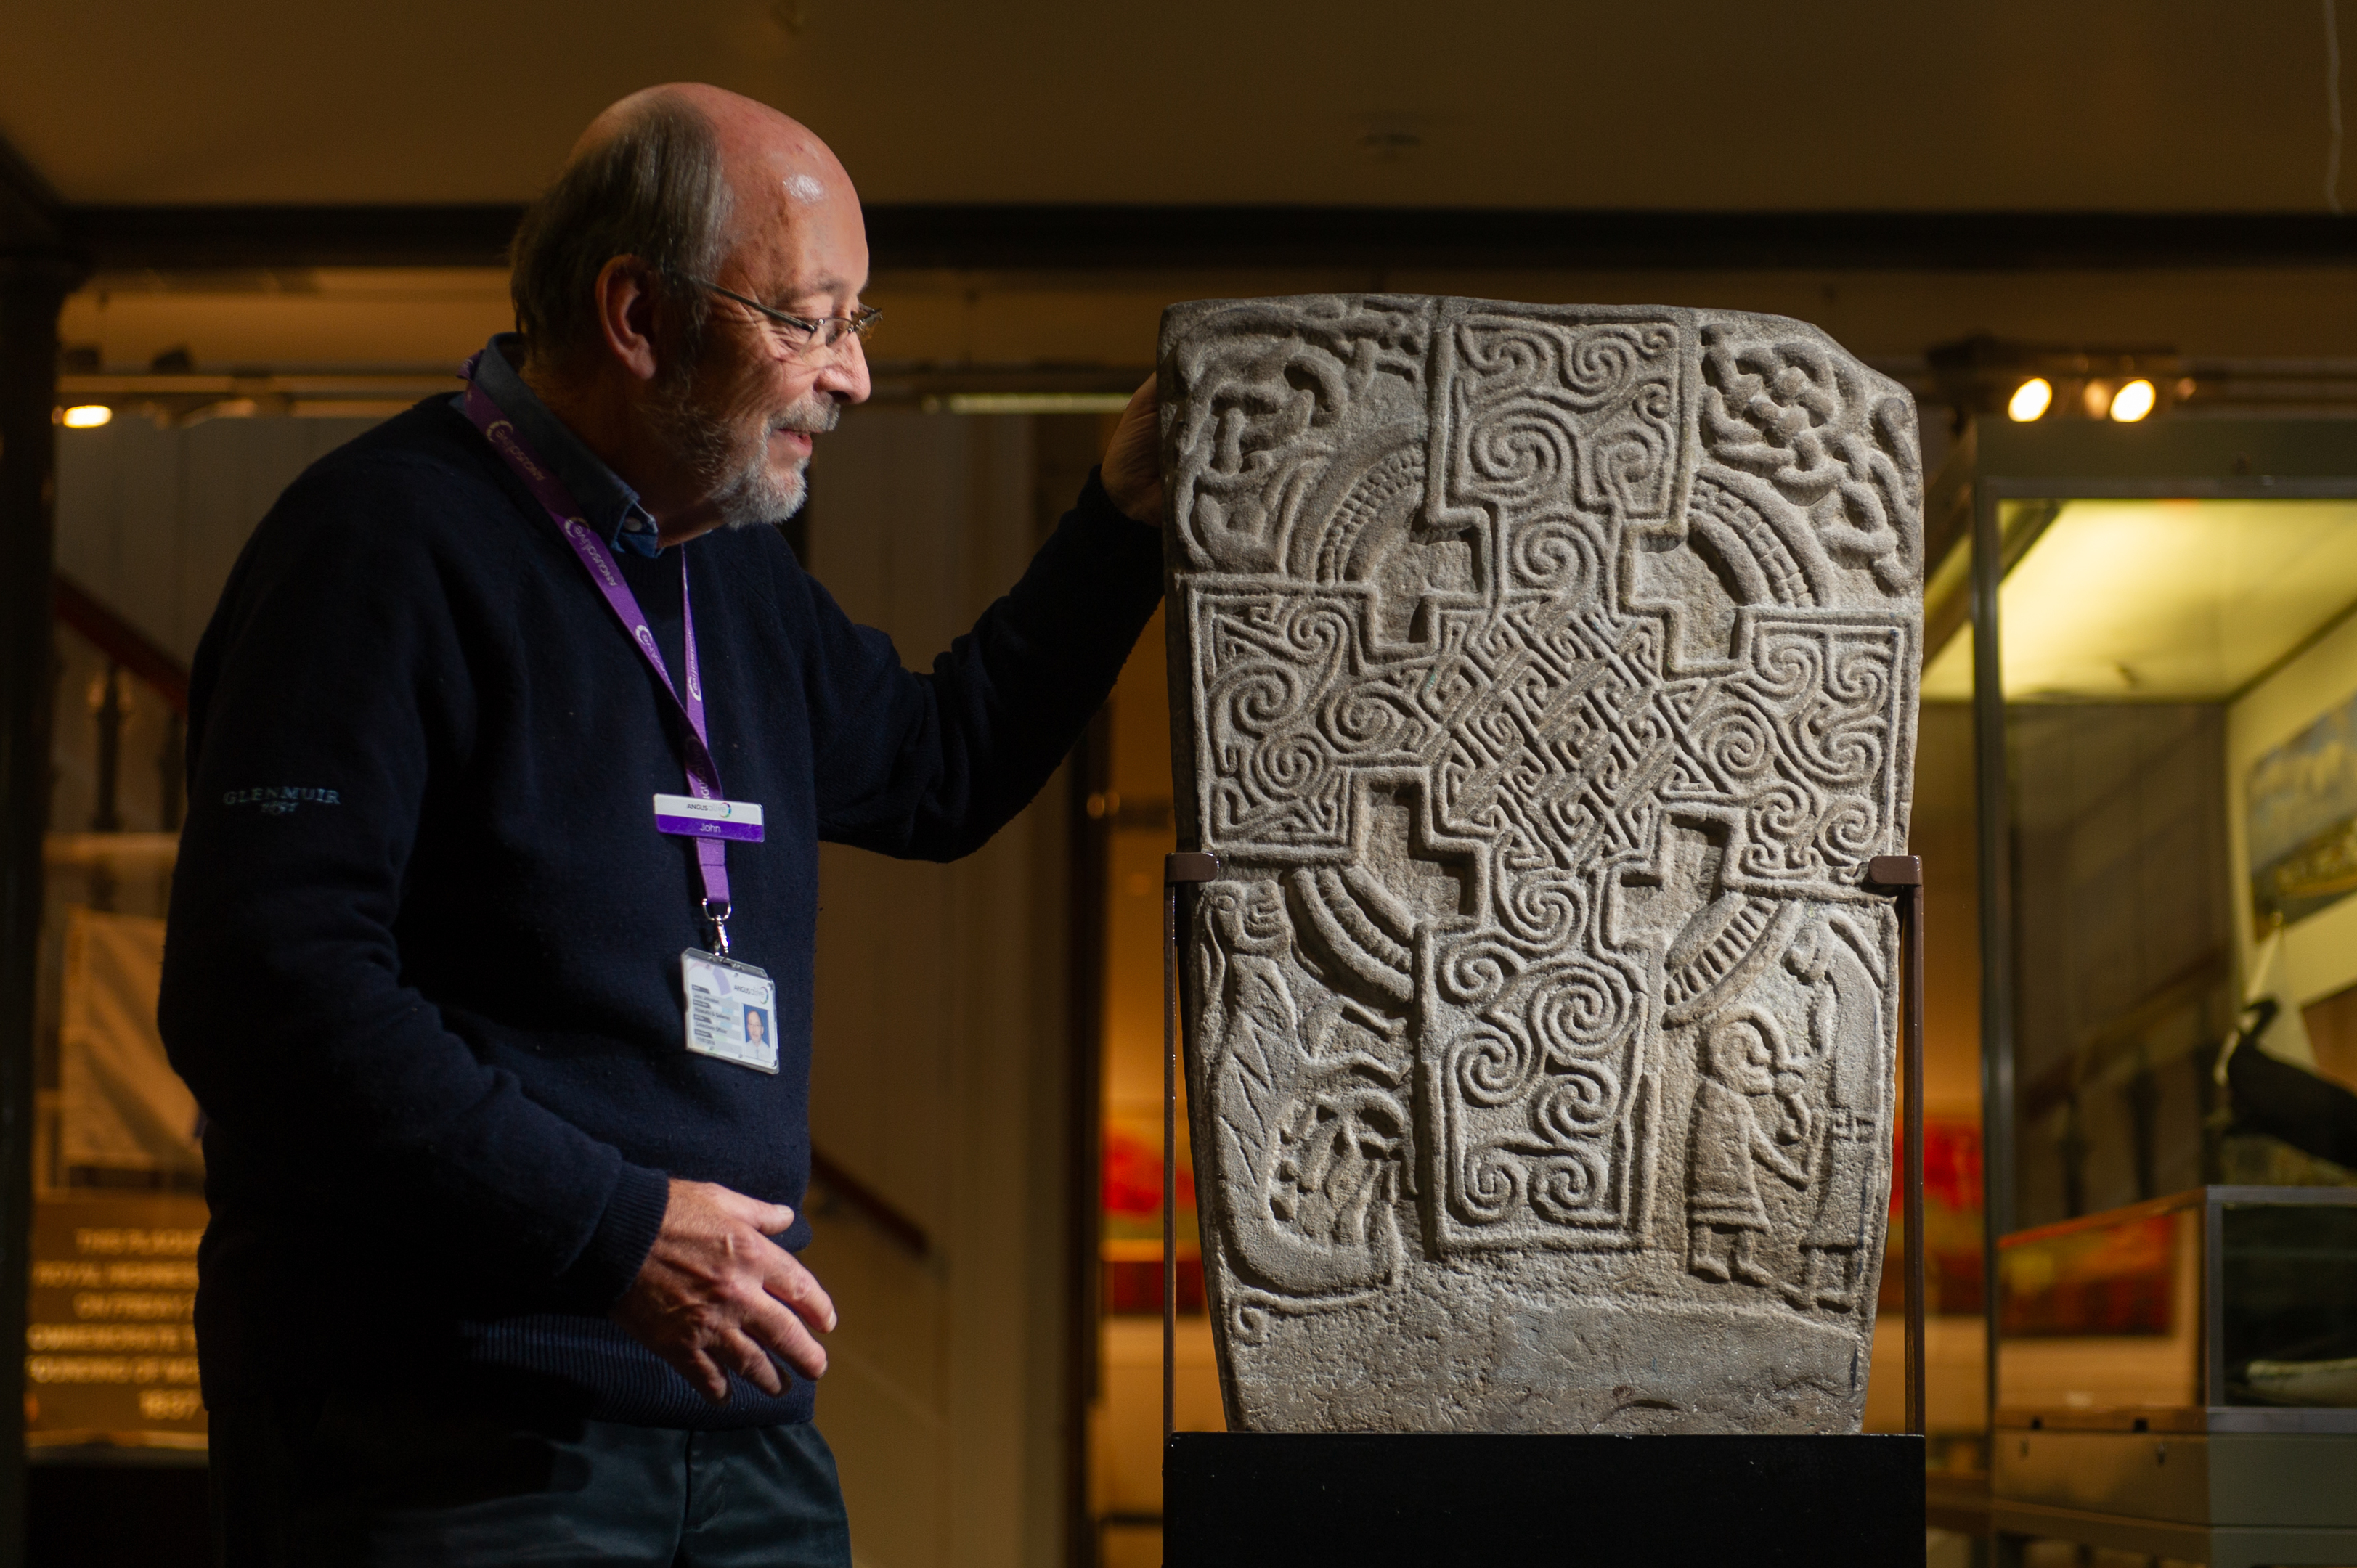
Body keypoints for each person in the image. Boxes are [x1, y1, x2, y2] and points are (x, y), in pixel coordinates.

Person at [158, 83, 1165, 1566]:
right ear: (637, 314)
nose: (852, 380)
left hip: (738, 1427)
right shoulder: (378, 543)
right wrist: (613, 1230)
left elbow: (939, 768)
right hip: (447, 1434)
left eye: (857, 324)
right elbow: (267, 989)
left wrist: (1123, 520)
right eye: (811, 320)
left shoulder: (726, 569)